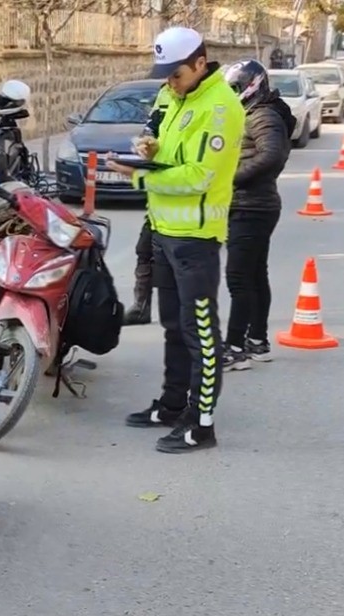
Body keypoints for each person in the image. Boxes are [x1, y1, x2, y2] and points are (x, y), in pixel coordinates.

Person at [106, 27, 246, 454]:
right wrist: (146, 148)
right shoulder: (173, 96)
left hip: (196, 238)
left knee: (199, 331)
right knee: (172, 326)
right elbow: (162, 142)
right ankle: (171, 405)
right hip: (163, 230)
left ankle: (201, 425)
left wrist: (141, 174)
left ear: (201, 64)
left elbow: (200, 175)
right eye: (165, 74)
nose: (169, 81)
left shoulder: (222, 108)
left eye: (177, 73)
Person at [220, 59, 295, 372]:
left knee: (238, 277)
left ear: (254, 84)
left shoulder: (263, 114)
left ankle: (236, 347)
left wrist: (230, 178)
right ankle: (258, 341)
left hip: (252, 206)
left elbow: (271, 155)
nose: (234, 92)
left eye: (237, 87)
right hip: (253, 204)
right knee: (254, 274)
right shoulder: (253, 112)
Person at [124, 82, 173, 326]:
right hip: (160, 195)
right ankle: (141, 307)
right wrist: (145, 143)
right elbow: (151, 126)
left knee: (176, 263)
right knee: (144, 250)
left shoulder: (205, 104)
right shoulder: (166, 92)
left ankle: (183, 318)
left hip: (184, 195)